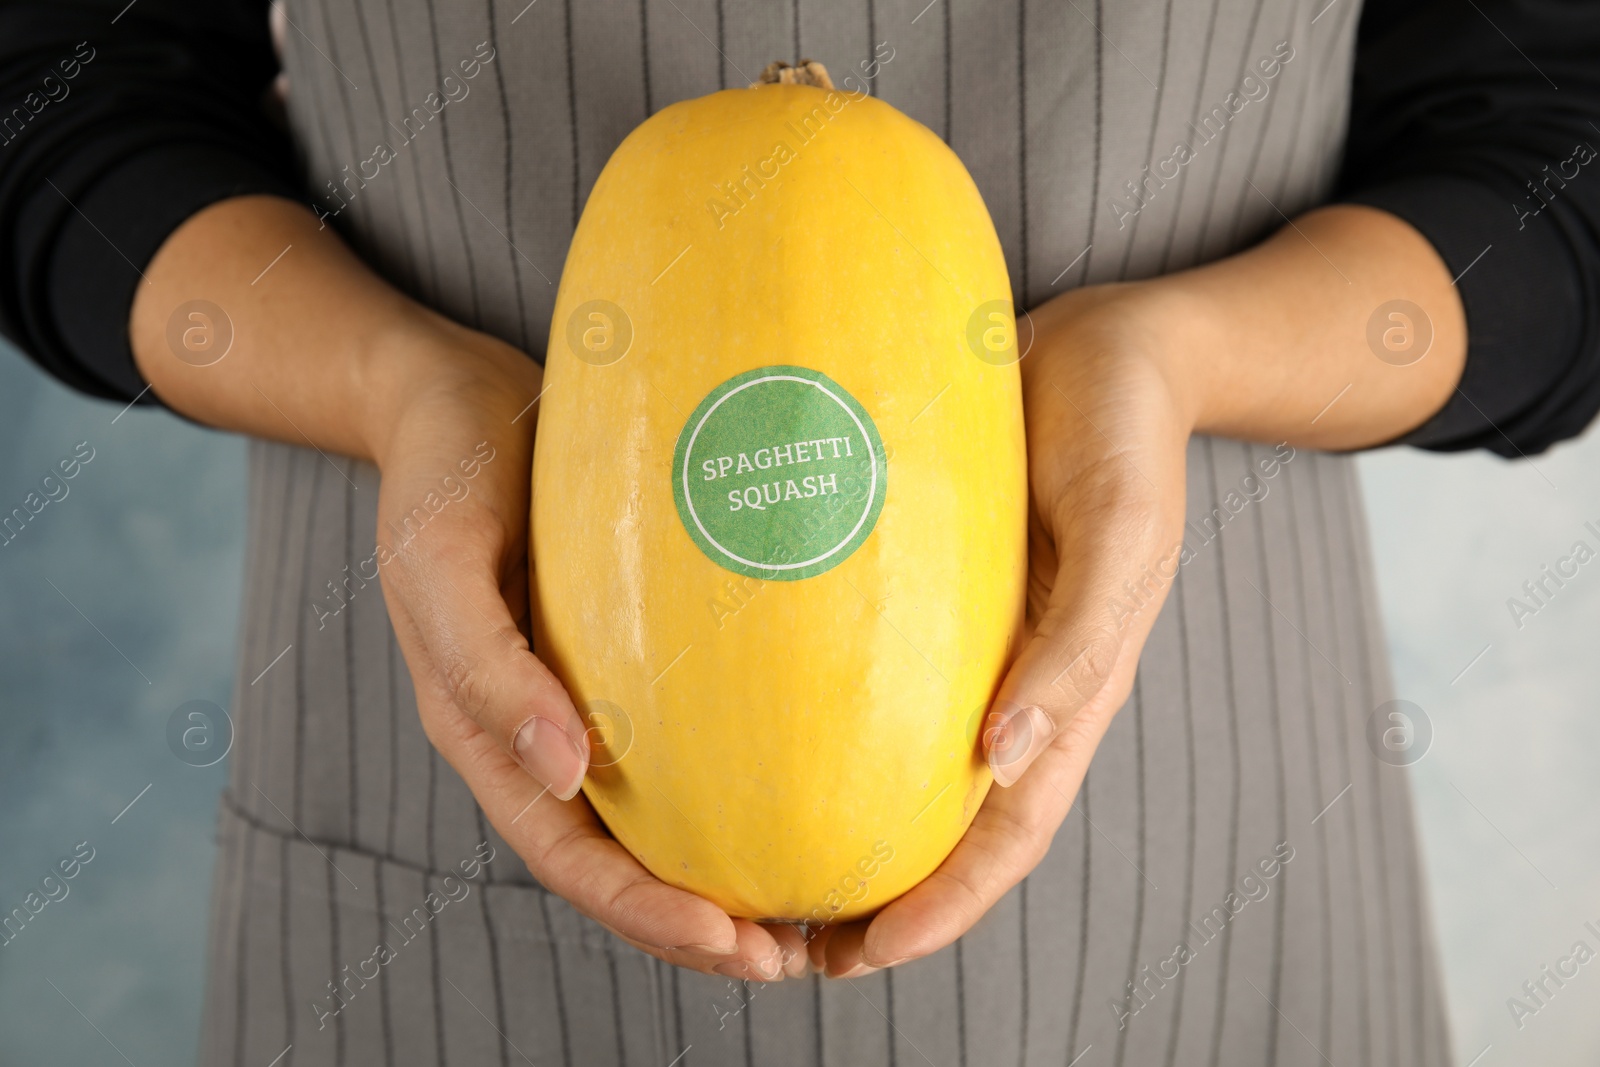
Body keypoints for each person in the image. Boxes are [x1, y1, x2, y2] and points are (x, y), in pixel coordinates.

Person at [3, 0, 1598, 1063]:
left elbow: (1550, 152)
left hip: (1223, 867)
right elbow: (62, 95)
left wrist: (1180, 356)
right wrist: (393, 381)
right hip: (455, 817)